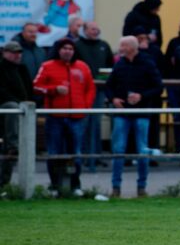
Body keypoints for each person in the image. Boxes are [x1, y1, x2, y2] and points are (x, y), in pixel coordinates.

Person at [33, 38, 95, 197]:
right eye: (64, 48)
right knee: (54, 152)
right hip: (55, 117)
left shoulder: (82, 66)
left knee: (76, 153)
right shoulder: (47, 66)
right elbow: (36, 86)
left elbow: (90, 89)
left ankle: (75, 185)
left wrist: (86, 107)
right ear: (58, 50)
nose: (68, 51)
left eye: (70, 48)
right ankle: (55, 186)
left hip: (77, 117)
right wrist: (53, 90)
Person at [105, 36, 164, 198]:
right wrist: (114, 99)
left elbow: (158, 86)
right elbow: (109, 86)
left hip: (142, 112)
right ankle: (116, 187)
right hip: (122, 113)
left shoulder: (147, 63)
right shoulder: (119, 64)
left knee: (142, 150)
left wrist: (142, 96)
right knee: (118, 149)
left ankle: (142, 187)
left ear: (132, 47)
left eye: (123, 45)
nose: (120, 47)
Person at [75, 21, 114, 172]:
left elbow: (110, 65)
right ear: (84, 30)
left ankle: (96, 156)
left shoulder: (104, 45)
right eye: (92, 29)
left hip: (99, 89)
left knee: (96, 122)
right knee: (84, 121)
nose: (95, 31)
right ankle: (83, 155)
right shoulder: (77, 45)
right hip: (82, 89)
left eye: (97, 29)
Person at [0, 41, 32, 186]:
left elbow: (29, 89)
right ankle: (14, 143)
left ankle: (4, 183)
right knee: (7, 147)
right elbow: (1, 91)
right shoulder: (1, 68)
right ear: (5, 53)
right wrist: (19, 104)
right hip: (6, 111)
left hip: (20, 111)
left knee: (10, 153)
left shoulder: (22, 69)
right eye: (14, 52)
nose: (17, 55)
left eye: (19, 52)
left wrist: (27, 103)